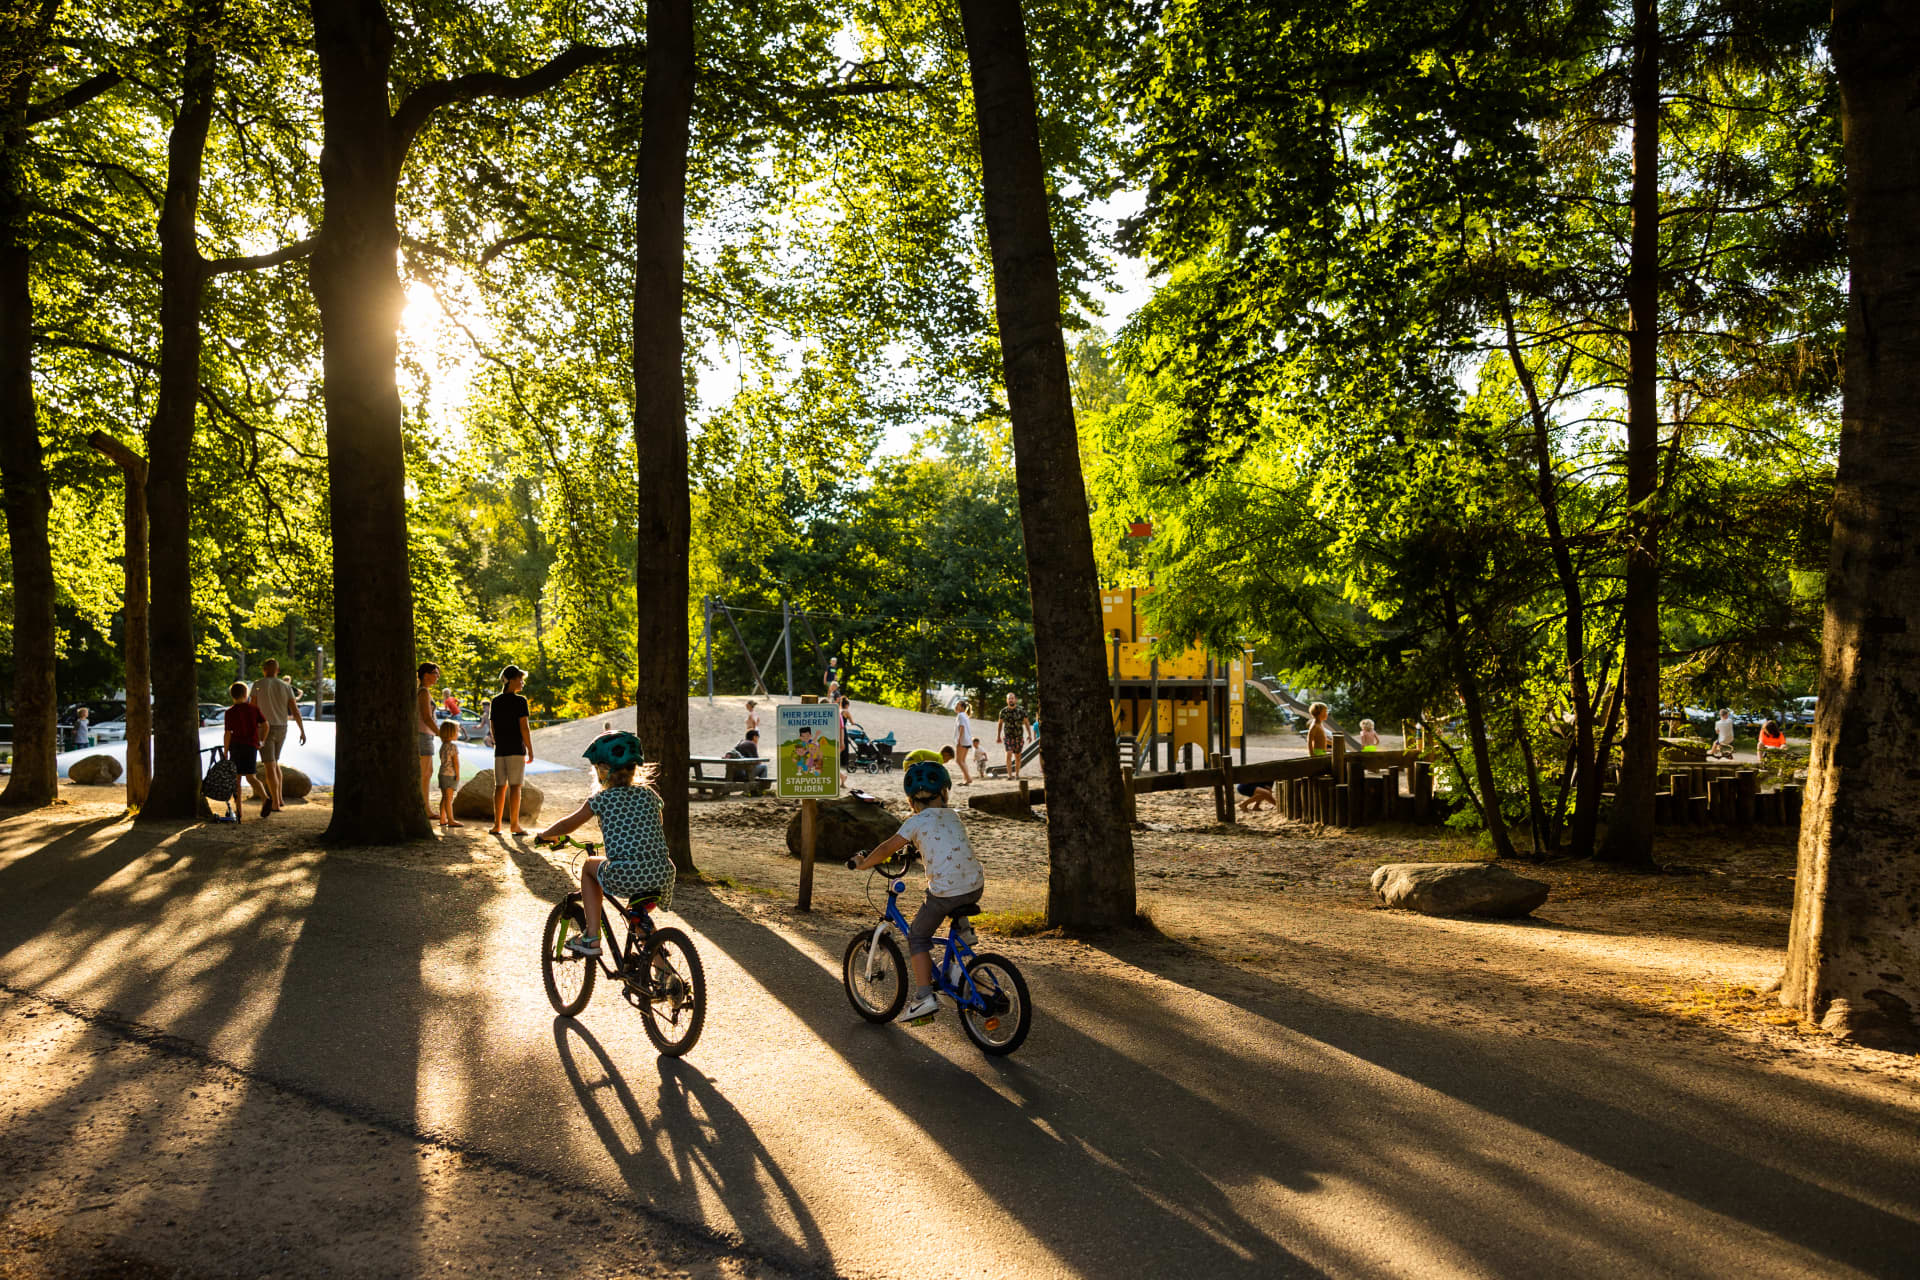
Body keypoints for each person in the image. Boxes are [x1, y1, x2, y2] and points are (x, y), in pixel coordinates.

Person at [845, 761, 985, 1025]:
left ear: (911, 802)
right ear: (945, 793)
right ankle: (964, 931)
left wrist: (864, 862)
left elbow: (887, 848)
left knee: (919, 937)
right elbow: (943, 843)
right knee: (952, 886)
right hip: (975, 887)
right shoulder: (953, 815)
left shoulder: (915, 822)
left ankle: (923, 997)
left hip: (947, 894)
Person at [537, 732, 677, 962]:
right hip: (662, 874)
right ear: (635, 769)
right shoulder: (650, 795)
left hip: (626, 873)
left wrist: (546, 834)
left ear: (602, 771)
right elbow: (656, 825)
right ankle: (663, 974)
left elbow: (570, 823)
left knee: (590, 867)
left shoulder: (601, 799)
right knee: (638, 915)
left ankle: (591, 937)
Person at [250, 658, 307, 814]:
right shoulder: (286, 686)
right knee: (275, 763)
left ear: (264, 670)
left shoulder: (257, 685)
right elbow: (295, 710)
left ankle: (274, 803)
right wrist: (302, 729)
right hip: (282, 727)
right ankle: (279, 799)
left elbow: (252, 708)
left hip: (264, 728)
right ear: (278, 671)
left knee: (270, 766)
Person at [488, 665, 534, 835]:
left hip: (500, 749)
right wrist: (530, 749)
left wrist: (497, 742)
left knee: (500, 786)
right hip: (515, 748)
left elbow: (492, 726)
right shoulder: (520, 701)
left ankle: (497, 825)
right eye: (520, 679)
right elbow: (524, 727)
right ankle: (514, 825)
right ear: (512, 680)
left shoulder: (496, 701)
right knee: (515, 786)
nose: (522, 682)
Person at [223, 682, 267, 821]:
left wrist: (225, 750)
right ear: (245, 694)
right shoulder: (253, 709)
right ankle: (265, 798)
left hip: (236, 747)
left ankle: (239, 810)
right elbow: (266, 725)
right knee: (251, 776)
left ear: (232, 695)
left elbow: (228, 733)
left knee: (236, 780)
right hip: (251, 746)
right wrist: (262, 740)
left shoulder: (230, 712)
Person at [416, 662, 442, 811]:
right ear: (426, 675)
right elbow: (426, 717)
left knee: (428, 772)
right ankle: (423, 808)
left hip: (427, 735)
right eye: (435, 674)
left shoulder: (425, 691)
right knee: (424, 773)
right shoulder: (423, 692)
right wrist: (440, 733)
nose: (437, 677)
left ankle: (425, 808)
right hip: (423, 735)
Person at [995, 692, 1031, 781]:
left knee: (1018, 757)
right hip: (1008, 737)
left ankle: (1017, 774)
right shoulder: (1003, 711)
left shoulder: (1021, 710)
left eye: (1012, 698)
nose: (1011, 700)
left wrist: (1029, 735)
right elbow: (1000, 724)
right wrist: (998, 736)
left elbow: (1026, 723)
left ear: (1015, 700)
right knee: (1009, 754)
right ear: (1007, 700)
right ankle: (1010, 775)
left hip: (1019, 737)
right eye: (1009, 698)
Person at [435, 721, 464, 828]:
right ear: (451, 733)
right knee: (449, 798)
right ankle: (451, 820)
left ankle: (443, 818)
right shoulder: (453, 747)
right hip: (450, 775)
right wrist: (458, 774)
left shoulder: (442, 746)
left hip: (442, 774)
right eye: (457, 731)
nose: (458, 733)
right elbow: (456, 762)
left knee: (444, 797)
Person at [952, 699, 974, 785]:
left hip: (963, 740)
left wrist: (959, 740)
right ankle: (966, 779)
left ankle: (968, 778)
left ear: (962, 707)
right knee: (963, 761)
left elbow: (962, 728)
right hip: (968, 740)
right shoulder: (965, 715)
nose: (956, 706)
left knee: (958, 760)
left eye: (958, 705)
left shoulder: (960, 715)